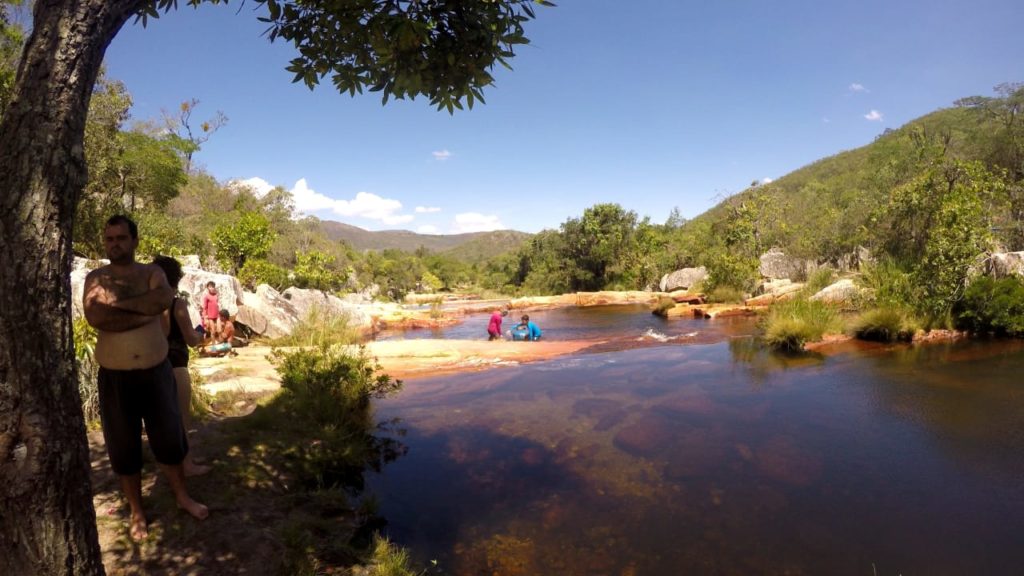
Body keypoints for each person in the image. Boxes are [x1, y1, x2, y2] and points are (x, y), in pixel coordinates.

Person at [83, 215, 208, 542]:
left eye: (121, 238)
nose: (115, 244)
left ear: (135, 241)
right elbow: (96, 315)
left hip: (156, 373)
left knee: (169, 439)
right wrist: (142, 312)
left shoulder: (152, 273)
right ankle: (137, 512)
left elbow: (161, 301)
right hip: (115, 379)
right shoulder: (96, 278)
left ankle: (182, 497)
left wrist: (117, 309)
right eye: (109, 239)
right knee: (124, 448)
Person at [152, 255, 211, 477]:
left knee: (160, 421)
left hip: (153, 366)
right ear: (175, 279)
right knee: (181, 420)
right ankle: (187, 465)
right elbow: (190, 339)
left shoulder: (148, 305)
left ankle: (167, 465)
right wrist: (200, 333)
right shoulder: (177, 304)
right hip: (176, 365)